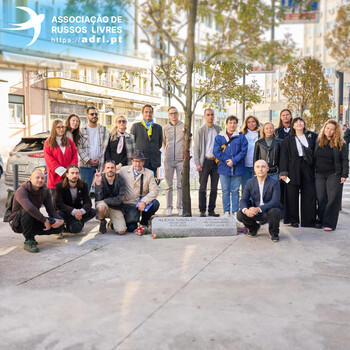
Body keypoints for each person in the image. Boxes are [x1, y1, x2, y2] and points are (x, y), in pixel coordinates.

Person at [8, 169, 64, 253]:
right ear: (30, 178)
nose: (40, 180)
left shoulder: (45, 191)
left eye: (42, 178)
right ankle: (29, 240)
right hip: (17, 222)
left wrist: (61, 220)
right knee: (27, 211)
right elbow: (29, 208)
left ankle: (31, 233)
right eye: (37, 178)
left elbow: (51, 210)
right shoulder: (21, 190)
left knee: (59, 227)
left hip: (33, 218)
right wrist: (44, 220)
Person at [280, 117, 318, 228]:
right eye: (296, 122)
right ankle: (293, 220)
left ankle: (309, 221)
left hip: (308, 168)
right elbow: (284, 157)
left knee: (309, 193)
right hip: (292, 169)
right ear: (293, 126)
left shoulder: (312, 136)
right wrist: (283, 173)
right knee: (291, 194)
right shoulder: (288, 140)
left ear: (304, 124)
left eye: (301, 121)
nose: (299, 123)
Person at [314, 120, 348, 231]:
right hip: (319, 173)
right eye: (327, 128)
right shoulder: (318, 141)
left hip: (334, 173)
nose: (329, 131)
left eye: (332, 129)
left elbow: (344, 160)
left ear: (336, 131)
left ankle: (330, 223)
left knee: (332, 199)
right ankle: (321, 219)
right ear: (324, 129)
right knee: (321, 198)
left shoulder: (341, 143)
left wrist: (344, 174)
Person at [213, 115, 248, 222]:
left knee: (235, 190)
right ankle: (226, 211)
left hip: (237, 168)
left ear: (237, 124)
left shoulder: (241, 136)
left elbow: (243, 151)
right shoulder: (220, 137)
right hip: (224, 168)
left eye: (234, 123)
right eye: (230, 122)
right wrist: (226, 160)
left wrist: (234, 161)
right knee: (225, 191)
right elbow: (216, 151)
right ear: (226, 124)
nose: (232, 125)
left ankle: (236, 212)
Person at [237, 160, 282, 241]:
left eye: (263, 167)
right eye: (258, 167)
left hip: (268, 211)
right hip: (255, 212)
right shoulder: (250, 182)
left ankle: (274, 232)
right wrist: (246, 210)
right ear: (254, 169)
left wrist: (258, 208)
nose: (260, 169)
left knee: (275, 211)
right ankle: (254, 228)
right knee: (240, 214)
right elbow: (243, 200)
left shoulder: (274, 182)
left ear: (267, 169)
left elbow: (275, 201)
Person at [119, 150, 159, 232]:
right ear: (132, 161)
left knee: (155, 203)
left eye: (140, 161)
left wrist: (144, 201)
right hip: (128, 204)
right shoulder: (123, 170)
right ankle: (117, 222)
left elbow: (154, 190)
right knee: (131, 228)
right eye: (136, 161)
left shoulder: (149, 173)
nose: (138, 164)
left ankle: (144, 221)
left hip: (141, 203)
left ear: (143, 162)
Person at [193, 108, 222, 217]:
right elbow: (196, 148)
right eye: (208, 115)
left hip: (216, 162)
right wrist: (197, 163)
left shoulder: (219, 129)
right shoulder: (200, 130)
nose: (210, 117)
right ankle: (202, 210)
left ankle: (211, 210)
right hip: (204, 162)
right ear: (204, 116)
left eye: (212, 115)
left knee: (214, 187)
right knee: (202, 188)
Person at [54, 165, 96, 234]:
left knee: (92, 212)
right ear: (67, 174)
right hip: (66, 211)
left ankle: (78, 223)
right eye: (72, 173)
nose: (75, 175)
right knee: (59, 214)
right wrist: (73, 211)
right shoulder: (59, 186)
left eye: (76, 173)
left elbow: (88, 202)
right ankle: (61, 228)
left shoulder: (83, 185)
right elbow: (58, 204)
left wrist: (81, 212)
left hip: (78, 210)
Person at [77, 106, 110, 193]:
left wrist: (100, 158)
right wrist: (88, 160)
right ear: (87, 116)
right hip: (85, 166)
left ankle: (98, 207)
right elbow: (79, 148)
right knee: (84, 191)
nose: (94, 116)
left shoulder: (103, 129)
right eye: (92, 114)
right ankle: (84, 207)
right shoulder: (81, 130)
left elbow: (105, 146)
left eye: (96, 114)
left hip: (100, 165)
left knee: (100, 192)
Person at [44, 119, 78, 196]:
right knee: (55, 205)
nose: (61, 129)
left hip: (69, 179)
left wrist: (71, 171)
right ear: (54, 129)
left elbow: (75, 155)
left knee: (68, 204)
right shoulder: (48, 143)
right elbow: (49, 159)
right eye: (58, 127)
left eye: (63, 127)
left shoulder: (69, 141)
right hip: (55, 179)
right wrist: (63, 171)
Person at [130, 105, 162, 179]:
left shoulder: (158, 128)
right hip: (140, 162)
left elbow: (159, 144)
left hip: (153, 162)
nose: (148, 114)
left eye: (150, 112)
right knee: (139, 184)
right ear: (142, 113)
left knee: (152, 184)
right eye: (146, 112)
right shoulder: (136, 126)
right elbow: (132, 143)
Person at [162, 106, 184, 216]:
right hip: (168, 159)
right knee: (168, 185)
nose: (173, 115)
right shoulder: (165, 127)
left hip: (181, 160)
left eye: (175, 113)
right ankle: (169, 207)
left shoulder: (184, 126)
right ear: (168, 115)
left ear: (178, 114)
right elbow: (164, 142)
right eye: (171, 113)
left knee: (180, 184)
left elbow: (187, 141)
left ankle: (180, 207)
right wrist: (168, 152)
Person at [94, 160, 126, 235]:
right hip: (104, 207)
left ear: (116, 169)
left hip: (116, 208)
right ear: (104, 170)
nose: (110, 170)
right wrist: (98, 184)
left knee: (122, 231)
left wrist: (105, 201)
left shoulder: (120, 179)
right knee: (101, 207)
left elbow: (121, 198)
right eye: (108, 168)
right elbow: (98, 200)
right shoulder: (100, 178)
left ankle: (112, 222)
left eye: (112, 168)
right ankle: (102, 221)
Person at [241, 115, 260, 189]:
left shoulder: (261, 134)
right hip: (245, 166)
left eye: (253, 122)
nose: (251, 124)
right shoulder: (242, 135)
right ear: (246, 124)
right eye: (249, 122)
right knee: (245, 188)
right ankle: (245, 201)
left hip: (257, 166)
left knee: (256, 188)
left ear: (256, 123)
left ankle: (254, 201)